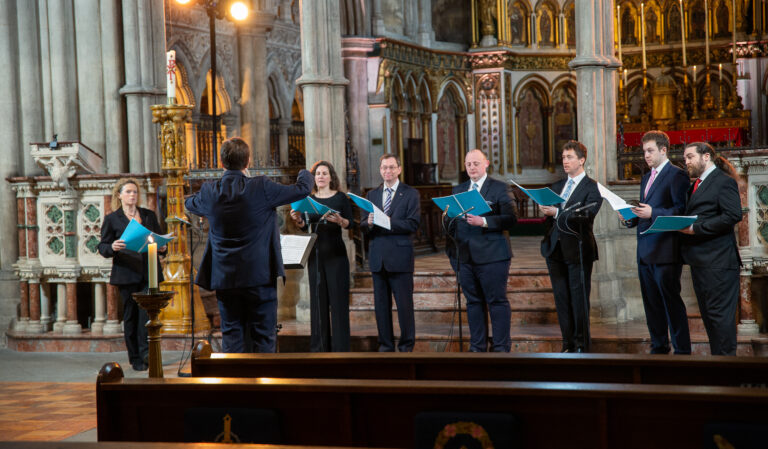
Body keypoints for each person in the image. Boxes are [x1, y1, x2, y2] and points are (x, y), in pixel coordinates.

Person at [185, 137, 313, 353]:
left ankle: (236, 384)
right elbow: (302, 189)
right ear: (248, 161)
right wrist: (305, 172)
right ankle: (263, 383)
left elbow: (189, 202)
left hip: (225, 278)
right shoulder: (261, 187)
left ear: (222, 163)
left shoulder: (210, 192)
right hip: (259, 276)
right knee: (263, 337)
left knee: (232, 335)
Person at [622, 131, 692, 355]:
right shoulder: (646, 177)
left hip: (666, 250)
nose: (646, 156)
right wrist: (630, 218)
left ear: (664, 150)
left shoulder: (677, 175)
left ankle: (682, 350)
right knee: (651, 304)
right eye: (644, 151)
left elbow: (680, 211)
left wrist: (653, 212)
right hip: (644, 249)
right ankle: (659, 346)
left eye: (650, 151)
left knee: (671, 302)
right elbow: (645, 211)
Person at [446, 149, 517, 352]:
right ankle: (477, 346)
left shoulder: (499, 188)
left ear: (486, 164)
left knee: (496, 301)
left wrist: (484, 221)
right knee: (473, 302)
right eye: (468, 164)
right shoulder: (458, 190)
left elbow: (512, 218)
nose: (472, 167)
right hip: (465, 256)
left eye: (476, 163)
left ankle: (501, 348)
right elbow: (452, 222)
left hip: (493, 255)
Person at [679, 142, 743, 356]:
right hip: (701, 262)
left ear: (706, 157)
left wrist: (696, 228)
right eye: (685, 158)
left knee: (721, 321)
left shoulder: (722, 182)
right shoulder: (696, 184)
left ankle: (728, 373)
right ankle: (719, 369)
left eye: (690, 157)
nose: (686, 162)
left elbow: (733, 215)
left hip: (719, 264)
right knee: (710, 320)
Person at [540, 141, 603, 353]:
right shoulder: (556, 186)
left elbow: (586, 216)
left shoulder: (592, 187)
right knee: (562, 300)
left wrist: (557, 213)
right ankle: (567, 344)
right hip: (555, 249)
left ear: (581, 160)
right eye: (563, 157)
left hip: (578, 249)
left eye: (569, 157)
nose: (565, 161)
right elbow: (549, 221)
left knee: (578, 300)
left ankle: (581, 346)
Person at [98, 178, 166, 371]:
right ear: (119, 195)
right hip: (126, 274)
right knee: (130, 316)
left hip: (149, 272)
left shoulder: (148, 215)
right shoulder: (113, 219)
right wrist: (112, 246)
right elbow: (102, 246)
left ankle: (147, 354)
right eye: (128, 192)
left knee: (147, 316)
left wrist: (162, 248)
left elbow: (159, 240)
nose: (132, 195)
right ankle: (135, 357)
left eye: (135, 192)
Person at [290, 161, 353, 352]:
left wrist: (340, 220)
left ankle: (341, 349)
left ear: (331, 177)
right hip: (316, 255)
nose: (321, 176)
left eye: (325, 173)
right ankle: (319, 349)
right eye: (317, 174)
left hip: (336, 254)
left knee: (338, 303)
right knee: (318, 304)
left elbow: (350, 224)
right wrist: (298, 220)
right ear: (314, 178)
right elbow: (304, 226)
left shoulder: (341, 198)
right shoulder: (308, 199)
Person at [361, 154, 420, 352]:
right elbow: (362, 225)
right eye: (384, 168)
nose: (388, 171)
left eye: (391, 167)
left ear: (399, 169)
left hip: (400, 258)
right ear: (380, 170)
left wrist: (386, 222)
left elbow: (413, 224)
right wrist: (368, 223)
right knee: (381, 307)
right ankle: (385, 345)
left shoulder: (410, 194)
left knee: (404, 307)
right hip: (378, 259)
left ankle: (406, 346)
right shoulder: (371, 195)